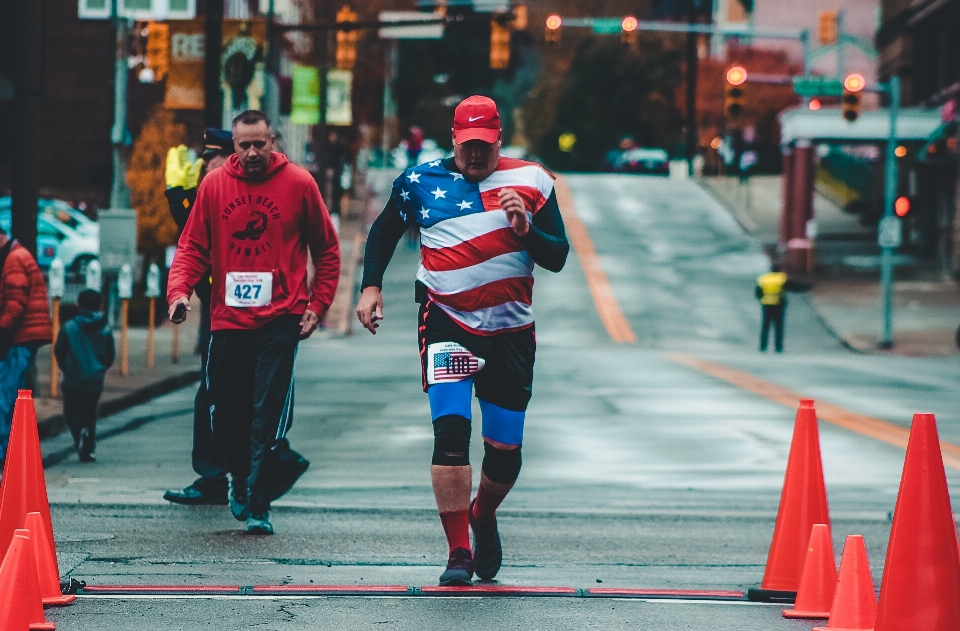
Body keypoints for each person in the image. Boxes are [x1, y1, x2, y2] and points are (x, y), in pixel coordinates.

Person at [357, 95, 569, 585]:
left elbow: (557, 257)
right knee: (451, 437)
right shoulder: (419, 180)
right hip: (446, 319)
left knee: (505, 454)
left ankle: (483, 514)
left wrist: (526, 228)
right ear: (454, 139)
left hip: (510, 331)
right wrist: (370, 288)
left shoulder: (533, 180)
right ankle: (458, 553)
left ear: (500, 140)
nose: (476, 156)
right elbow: (384, 232)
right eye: (468, 145)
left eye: (486, 146)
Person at [167, 110, 340, 535]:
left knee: (266, 413)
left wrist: (317, 305)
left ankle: (259, 503)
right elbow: (192, 246)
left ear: (272, 141)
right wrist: (179, 293)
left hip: (281, 318)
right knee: (224, 412)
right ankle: (241, 479)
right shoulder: (214, 185)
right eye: (243, 145)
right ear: (234, 146)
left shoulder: (299, 183)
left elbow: (327, 251)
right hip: (228, 319)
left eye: (258, 144)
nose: (250, 153)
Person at [162, 128, 234, 505]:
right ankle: (213, 476)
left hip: (251, 313)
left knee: (246, 395)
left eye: (212, 157)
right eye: (204, 159)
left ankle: (239, 476)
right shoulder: (208, 194)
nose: (205, 165)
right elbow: (193, 246)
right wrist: (182, 201)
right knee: (211, 393)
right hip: (217, 308)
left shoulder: (236, 193)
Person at [0, 225, 52, 461]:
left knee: (8, 391)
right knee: (16, 390)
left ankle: (5, 449)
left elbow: (16, 302)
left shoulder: (13, 259)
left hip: (22, 334)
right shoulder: (20, 254)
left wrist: (2, 327)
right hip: (29, 333)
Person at [54, 289, 115, 462]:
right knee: (90, 413)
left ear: (78, 304)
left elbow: (60, 350)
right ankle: (88, 449)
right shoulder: (105, 327)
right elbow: (110, 355)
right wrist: (100, 368)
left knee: (70, 411)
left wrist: (67, 367)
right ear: (100, 305)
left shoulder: (69, 327)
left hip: (73, 378)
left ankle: (81, 433)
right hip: (95, 380)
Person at [756, 264, 789, 353]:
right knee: (778, 327)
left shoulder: (763, 278)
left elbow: (758, 292)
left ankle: (763, 346)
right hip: (778, 305)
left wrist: (762, 299)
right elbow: (790, 287)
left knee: (765, 326)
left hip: (766, 305)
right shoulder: (781, 278)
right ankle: (778, 347)